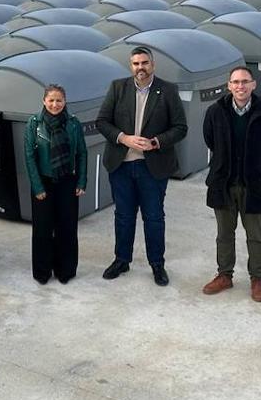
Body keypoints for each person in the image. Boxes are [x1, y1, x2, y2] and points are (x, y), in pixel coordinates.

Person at [95, 46, 187, 286]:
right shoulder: (118, 88)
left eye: (145, 63)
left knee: (154, 217)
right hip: (121, 165)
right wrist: (123, 138)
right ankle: (121, 260)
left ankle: (157, 264)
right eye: (136, 64)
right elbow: (102, 122)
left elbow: (180, 127)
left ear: (153, 65)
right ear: (131, 66)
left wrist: (156, 142)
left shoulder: (167, 90)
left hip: (152, 167)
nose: (140, 68)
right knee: (123, 216)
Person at [201, 65, 261, 303]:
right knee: (224, 234)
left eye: (245, 82)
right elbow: (210, 139)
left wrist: (255, 161)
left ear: (253, 85)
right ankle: (224, 275)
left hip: (254, 183)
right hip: (223, 182)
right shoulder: (215, 112)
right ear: (229, 85)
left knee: (256, 235)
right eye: (235, 82)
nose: (240, 86)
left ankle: (257, 278)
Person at [23, 84, 87, 284]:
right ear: (44, 101)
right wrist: (37, 186)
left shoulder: (74, 124)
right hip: (44, 181)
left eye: (59, 100)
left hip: (67, 181)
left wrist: (82, 181)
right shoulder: (34, 124)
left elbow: (82, 153)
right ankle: (42, 272)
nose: (55, 104)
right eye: (51, 100)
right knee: (42, 229)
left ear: (65, 102)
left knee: (66, 228)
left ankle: (65, 271)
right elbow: (29, 156)